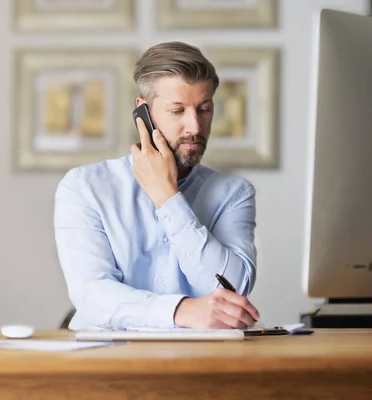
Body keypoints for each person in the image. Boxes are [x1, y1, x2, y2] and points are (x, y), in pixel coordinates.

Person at [53, 41, 260, 331]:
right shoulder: (84, 187)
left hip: (199, 363)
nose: (195, 127)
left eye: (204, 109)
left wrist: (167, 197)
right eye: (177, 111)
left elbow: (234, 288)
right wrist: (182, 311)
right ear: (144, 113)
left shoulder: (234, 194)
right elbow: (91, 294)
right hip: (105, 361)